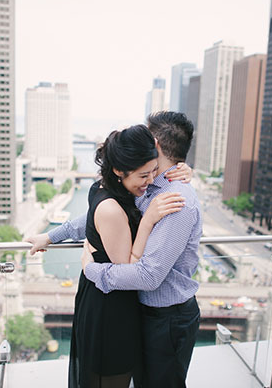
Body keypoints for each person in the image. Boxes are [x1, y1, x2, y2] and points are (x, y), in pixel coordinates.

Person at [26, 111, 202, 388]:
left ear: (154, 144)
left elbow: (148, 277)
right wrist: (51, 236)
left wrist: (93, 269)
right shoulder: (148, 186)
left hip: (167, 317)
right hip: (141, 310)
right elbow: (102, 216)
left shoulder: (175, 201)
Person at [68, 124, 185, 387]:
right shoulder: (110, 208)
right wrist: (148, 221)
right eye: (144, 175)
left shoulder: (107, 186)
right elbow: (128, 270)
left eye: (155, 170)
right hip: (109, 307)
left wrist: (182, 171)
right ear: (119, 170)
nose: (152, 180)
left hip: (110, 298)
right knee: (111, 379)